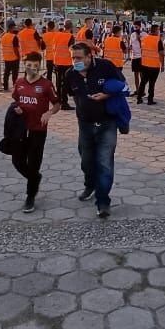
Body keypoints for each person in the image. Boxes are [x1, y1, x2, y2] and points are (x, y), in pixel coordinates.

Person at [67, 43, 125, 218]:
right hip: (84, 125)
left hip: (107, 124)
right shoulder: (70, 74)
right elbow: (71, 94)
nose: (75, 61)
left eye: (78, 58)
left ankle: (103, 201)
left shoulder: (105, 67)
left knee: (105, 164)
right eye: (73, 58)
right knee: (86, 161)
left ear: (89, 56)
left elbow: (123, 85)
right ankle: (90, 184)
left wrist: (106, 95)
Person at [10, 52, 58, 213]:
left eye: (35, 66)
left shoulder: (46, 85)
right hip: (21, 129)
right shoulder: (19, 82)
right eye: (29, 65)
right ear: (25, 65)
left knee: (34, 162)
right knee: (17, 161)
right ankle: (35, 178)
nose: (31, 69)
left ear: (39, 65)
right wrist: (16, 108)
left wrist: (49, 112)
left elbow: (57, 104)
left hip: (38, 129)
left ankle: (30, 195)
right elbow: (16, 99)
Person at [136, 24, 164, 105]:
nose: (159, 32)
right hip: (154, 65)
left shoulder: (145, 38)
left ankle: (139, 98)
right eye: (158, 30)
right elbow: (161, 53)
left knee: (143, 82)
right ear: (156, 31)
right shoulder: (158, 39)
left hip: (144, 64)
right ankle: (150, 99)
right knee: (152, 83)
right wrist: (162, 65)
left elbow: (142, 49)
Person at [53, 21, 76, 110]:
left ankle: (58, 100)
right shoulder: (70, 37)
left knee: (59, 82)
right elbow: (71, 49)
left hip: (57, 60)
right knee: (65, 83)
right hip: (66, 62)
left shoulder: (57, 35)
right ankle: (64, 103)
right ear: (71, 27)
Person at [0, 20, 20, 91]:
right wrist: (18, 56)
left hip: (6, 57)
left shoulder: (3, 36)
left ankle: (5, 87)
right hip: (14, 58)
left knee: (6, 73)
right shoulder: (14, 37)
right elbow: (15, 49)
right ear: (12, 27)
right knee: (14, 74)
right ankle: (15, 87)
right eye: (14, 27)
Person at [129, 20, 144, 91]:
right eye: (134, 27)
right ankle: (137, 90)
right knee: (135, 74)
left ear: (140, 27)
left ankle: (142, 89)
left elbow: (144, 46)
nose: (135, 28)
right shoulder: (132, 34)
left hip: (141, 56)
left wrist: (140, 40)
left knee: (142, 74)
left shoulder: (144, 34)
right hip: (134, 56)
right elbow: (131, 45)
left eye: (136, 27)